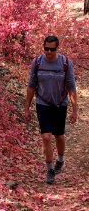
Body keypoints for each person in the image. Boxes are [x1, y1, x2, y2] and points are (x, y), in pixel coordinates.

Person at [24, 35, 78, 184]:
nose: (48, 52)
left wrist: (74, 110)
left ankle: (60, 159)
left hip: (60, 104)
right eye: (46, 49)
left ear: (57, 48)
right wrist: (27, 108)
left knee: (59, 136)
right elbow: (31, 86)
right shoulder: (37, 63)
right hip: (43, 103)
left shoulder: (66, 63)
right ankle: (50, 169)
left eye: (52, 49)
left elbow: (71, 87)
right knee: (46, 136)